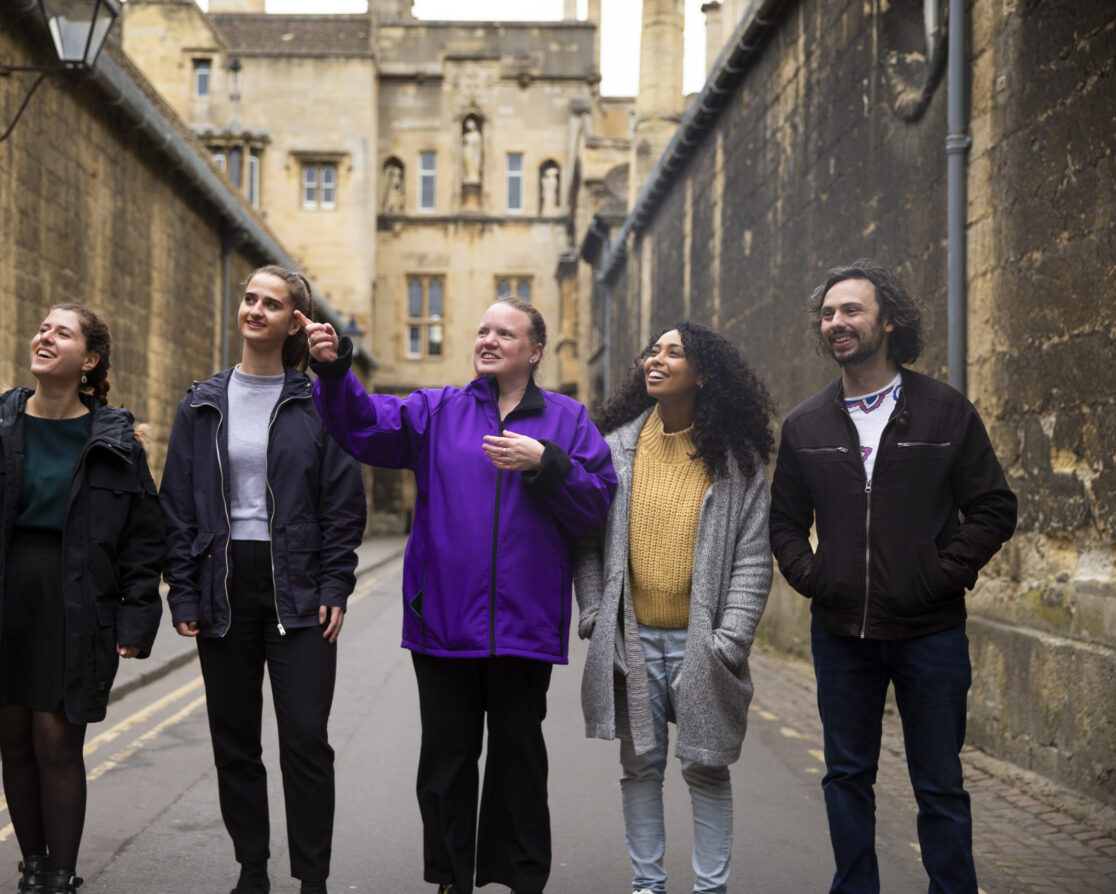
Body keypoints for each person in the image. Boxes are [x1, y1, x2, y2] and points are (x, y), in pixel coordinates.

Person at [297, 296, 617, 894]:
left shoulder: (568, 421)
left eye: (506, 333)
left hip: (524, 625)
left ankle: (520, 876)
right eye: (483, 330)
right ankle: (451, 877)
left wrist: (545, 463)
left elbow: (595, 503)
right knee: (445, 761)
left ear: (535, 351)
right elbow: (363, 427)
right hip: (443, 620)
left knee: (519, 760)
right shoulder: (436, 410)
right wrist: (336, 371)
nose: (488, 340)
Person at [769, 260, 1018, 894]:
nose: (837, 323)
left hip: (930, 630)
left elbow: (994, 508)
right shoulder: (806, 424)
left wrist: (940, 574)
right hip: (841, 632)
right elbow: (784, 525)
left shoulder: (945, 411)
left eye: (851, 310)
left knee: (938, 781)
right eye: (828, 314)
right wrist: (817, 577)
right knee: (847, 776)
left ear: (888, 320)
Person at [0, 303, 164, 894]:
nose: (46, 336)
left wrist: (135, 619)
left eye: (63, 332)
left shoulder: (117, 441)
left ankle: (60, 874)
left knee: (57, 740)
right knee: (16, 742)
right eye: (44, 327)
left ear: (89, 360)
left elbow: (144, 541)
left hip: (76, 605)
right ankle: (31, 865)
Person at [159, 265, 366, 894]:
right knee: (235, 741)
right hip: (225, 582)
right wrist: (186, 591)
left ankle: (312, 876)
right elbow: (177, 505)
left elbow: (342, 503)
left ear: (292, 323)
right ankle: (252, 867)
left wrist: (336, 585)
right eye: (249, 298)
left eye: (271, 304)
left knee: (306, 739)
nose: (254, 309)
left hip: (298, 585)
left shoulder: (315, 401)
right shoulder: (200, 403)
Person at [575, 324, 775, 894]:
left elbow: (753, 559)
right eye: (653, 351)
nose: (655, 360)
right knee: (640, 770)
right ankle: (648, 887)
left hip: (700, 642)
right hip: (632, 640)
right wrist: (594, 614)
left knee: (706, 769)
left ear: (703, 373)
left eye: (674, 353)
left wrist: (727, 642)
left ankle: (709, 889)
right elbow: (586, 540)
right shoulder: (613, 447)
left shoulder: (736, 462)